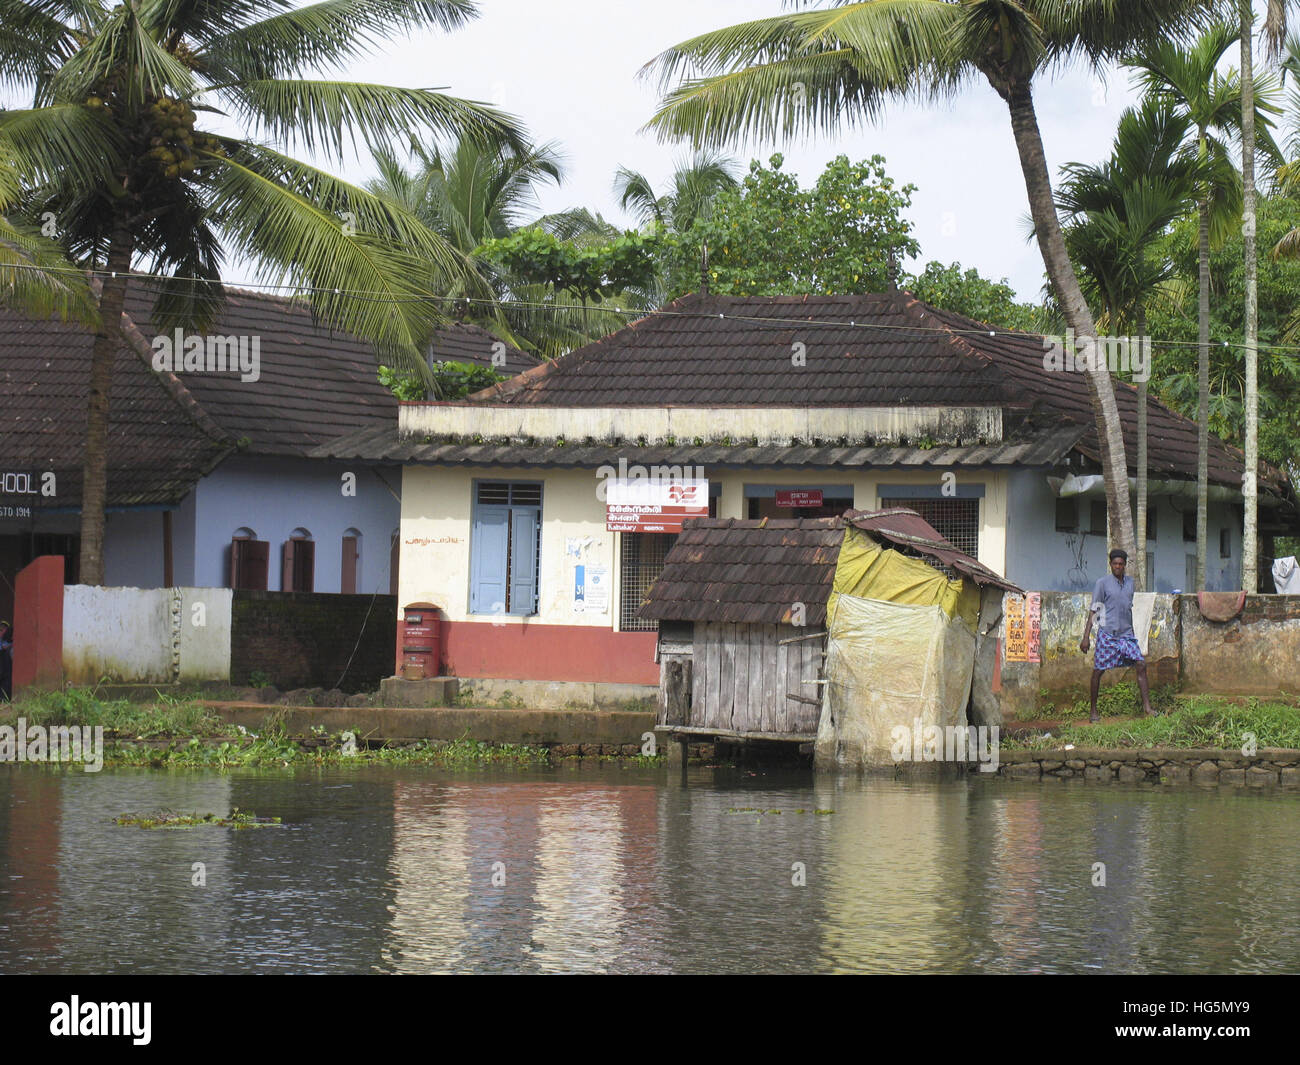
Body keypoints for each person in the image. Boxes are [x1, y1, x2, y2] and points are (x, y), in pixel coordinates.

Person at [1078, 549, 1155, 724]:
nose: (1118, 567)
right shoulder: (1102, 583)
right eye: (1115, 564)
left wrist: (1134, 635)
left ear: (1125, 565)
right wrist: (1086, 637)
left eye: (1121, 564)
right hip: (1107, 634)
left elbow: (1128, 609)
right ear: (1111, 565)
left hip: (1126, 634)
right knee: (1098, 671)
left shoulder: (1130, 583)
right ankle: (1093, 711)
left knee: (1141, 664)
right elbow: (1095, 609)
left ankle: (1147, 708)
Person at [0, 621, 12, 702]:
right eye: (1, 629)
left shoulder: (8, 641)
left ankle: (3, 698)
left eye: (4, 629)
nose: (2, 631)